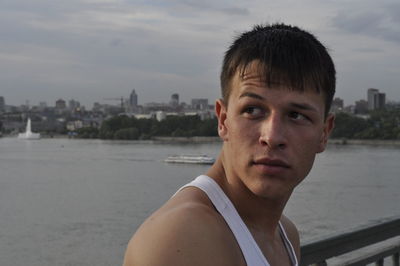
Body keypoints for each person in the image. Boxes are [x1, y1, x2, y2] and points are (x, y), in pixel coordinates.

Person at [123, 23, 336, 266]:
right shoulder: (183, 235)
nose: (272, 136)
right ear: (223, 119)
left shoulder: (285, 234)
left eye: (297, 115)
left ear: (324, 132)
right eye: (253, 110)